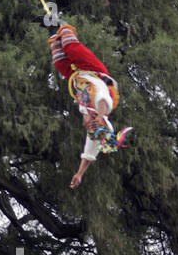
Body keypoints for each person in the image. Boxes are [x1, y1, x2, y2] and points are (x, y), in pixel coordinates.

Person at [48, 23, 130, 188]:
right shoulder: (104, 106)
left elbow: (89, 154)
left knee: (59, 61)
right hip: (93, 70)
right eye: (95, 129)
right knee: (72, 49)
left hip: (77, 78)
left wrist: (79, 174)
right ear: (102, 124)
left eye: (91, 131)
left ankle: (51, 29)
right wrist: (99, 117)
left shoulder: (92, 129)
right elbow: (101, 99)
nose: (90, 128)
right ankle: (63, 26)